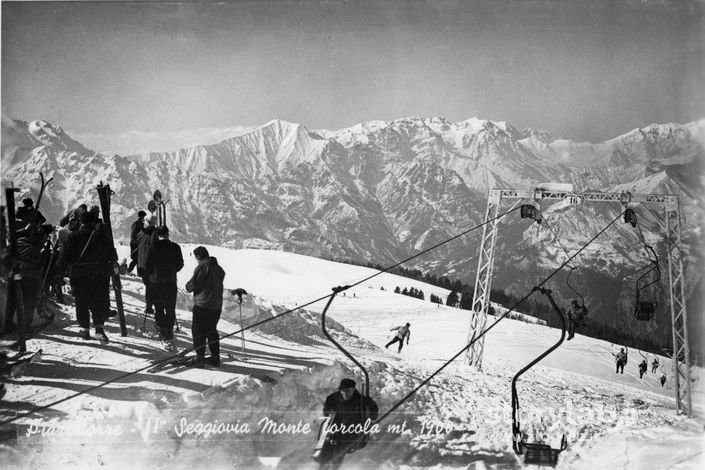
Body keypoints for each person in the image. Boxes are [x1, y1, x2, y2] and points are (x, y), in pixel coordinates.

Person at [56, 210, 113, 343]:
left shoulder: (73, 237)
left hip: (79, 275)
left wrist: (59, 272)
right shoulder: (101, 237)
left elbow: (64, 257)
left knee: (82, 302)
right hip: (98, 274)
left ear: (80, 222)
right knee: (97, 301)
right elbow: (111, 255)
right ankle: (99, 328)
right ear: (93, 222)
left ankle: (85, 330)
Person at [317, 378, 379, 470]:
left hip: (353, 433)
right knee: (326, 450)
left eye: (348, 391)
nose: (345, 393)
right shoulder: (333, 399)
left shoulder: (362, 401)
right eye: (343, 391)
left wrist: (370, 411)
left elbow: (373, 414)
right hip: (335, 431)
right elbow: (327, 414)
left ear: (353, 390)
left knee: (339, 450)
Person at [2, 224, 52, 334]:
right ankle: (25, 325)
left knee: (13, 300)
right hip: (30, 275)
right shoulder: (37, 244)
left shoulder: (18, 241)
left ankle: (8, 323)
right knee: (30, 301)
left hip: (15, 274)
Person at [185, 246, 225, 367]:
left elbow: (191, 286)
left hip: (202, 304)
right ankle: (215, 357)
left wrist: (189, 286)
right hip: (216, 305)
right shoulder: (219, 269)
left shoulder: (201, 267)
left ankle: (199, 357)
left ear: (198, 257)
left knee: (198, 331)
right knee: (212, 331)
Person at [145, 226, 183, 351]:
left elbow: (147, 265)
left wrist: (152, 275)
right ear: (167, 234)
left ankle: (162, 331)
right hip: (170, 282)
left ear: (157, 234)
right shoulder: (175, 247)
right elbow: (180, 264)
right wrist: (171, 271)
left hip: (156, 282)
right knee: (170, 307)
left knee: (159, 307)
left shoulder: (152, 247)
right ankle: (169, 331)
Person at [136, 214, 158, 314]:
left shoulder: (140, 234)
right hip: (152, 265)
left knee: (148, 286)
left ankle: (149, 306)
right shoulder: (156, 234)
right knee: (153, 286)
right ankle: (153, 307)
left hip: (141, 265)